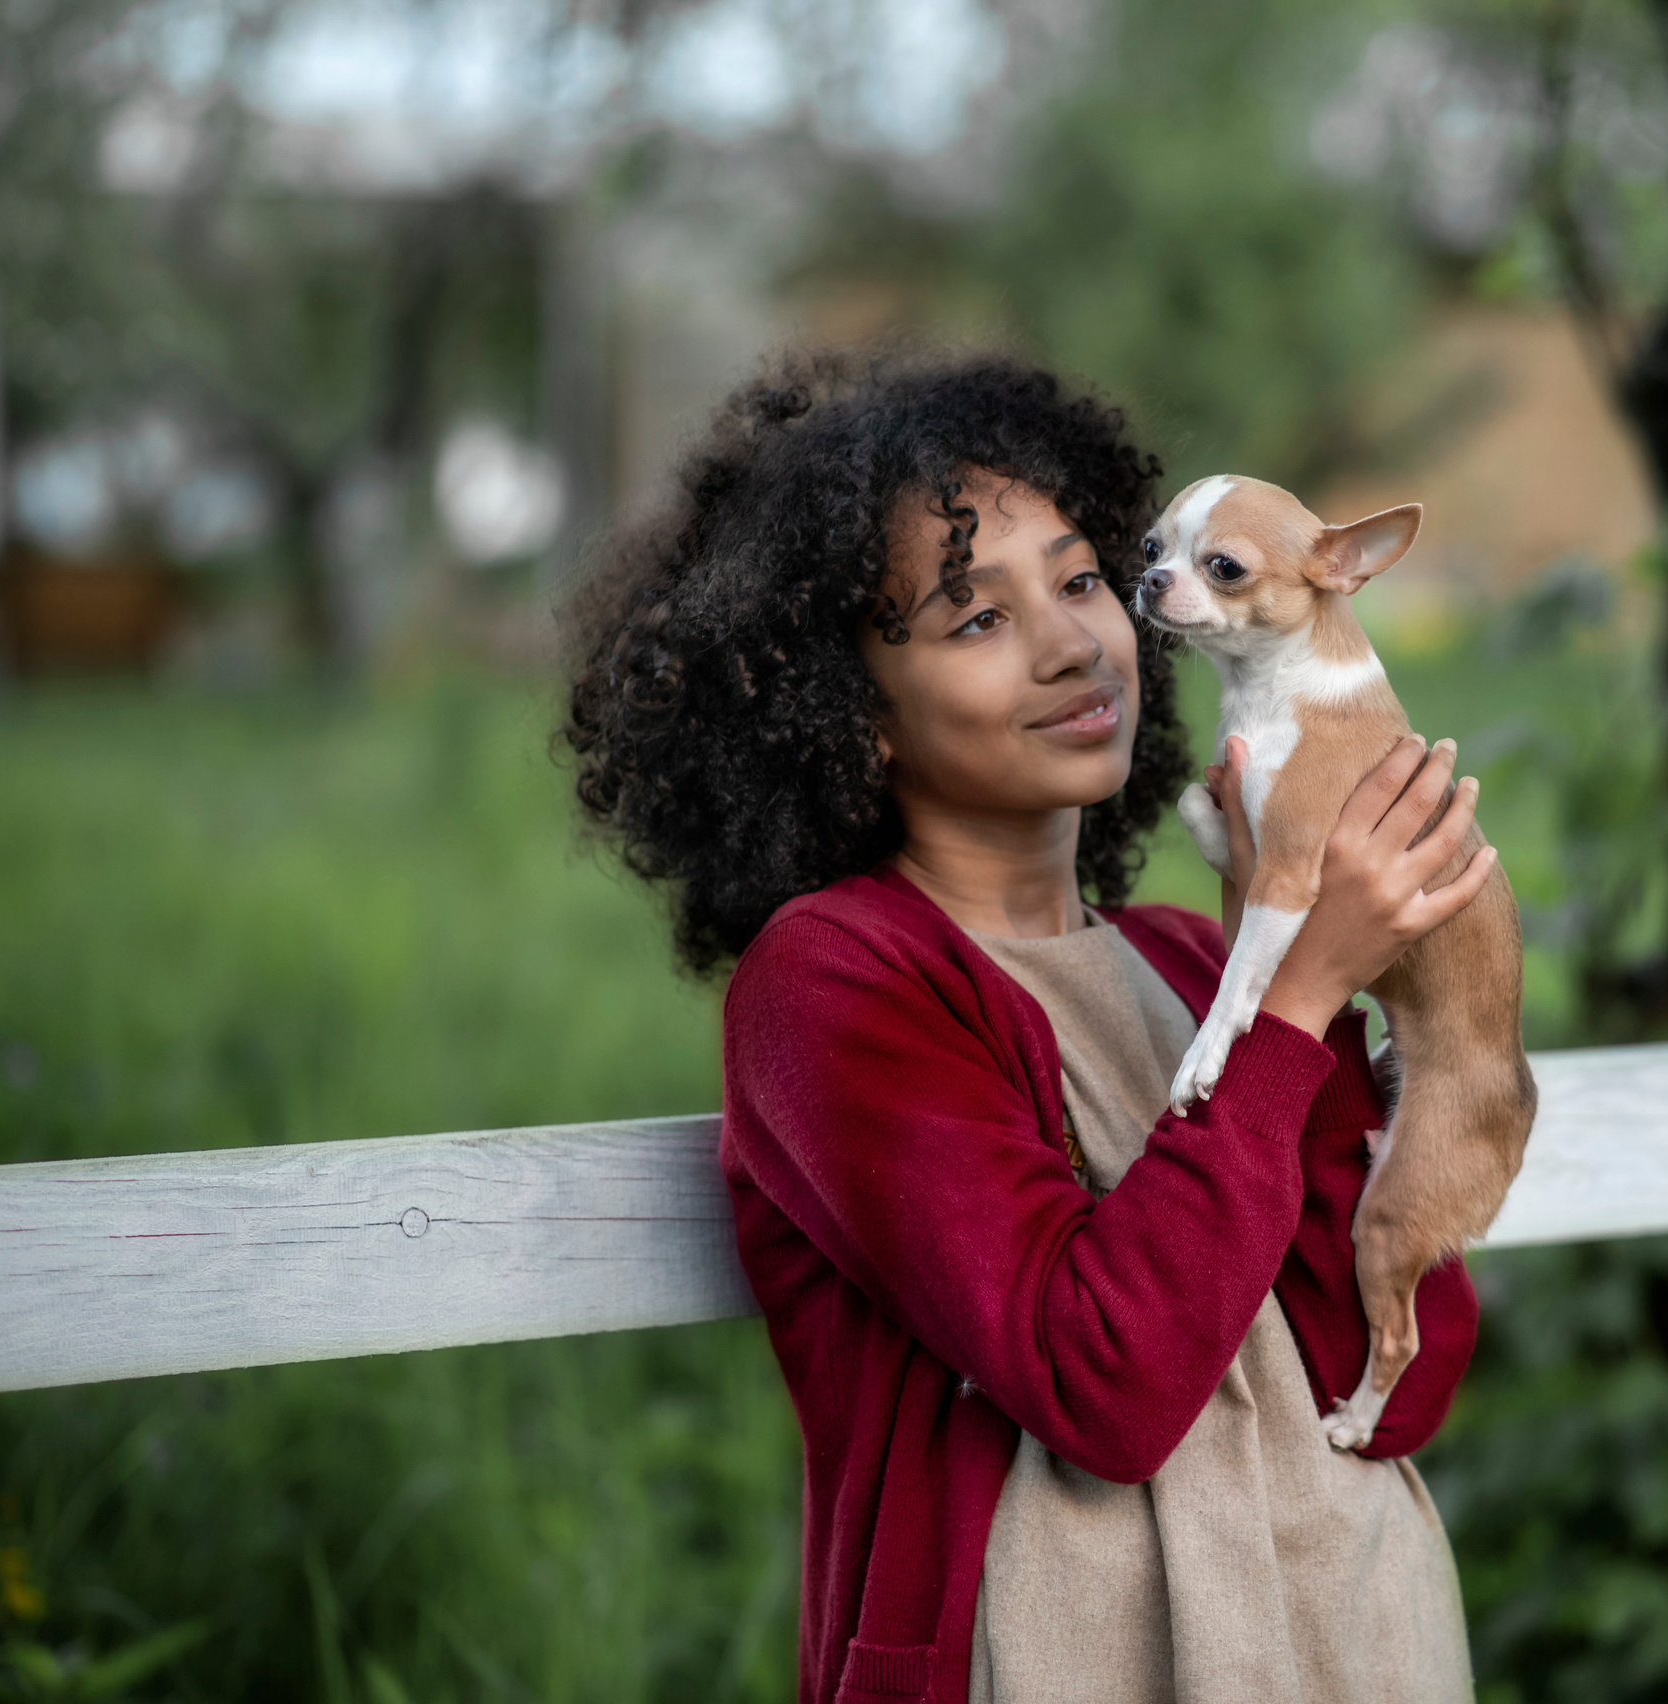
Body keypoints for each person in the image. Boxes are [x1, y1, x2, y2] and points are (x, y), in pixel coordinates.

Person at [562, 349, 1497, 1704]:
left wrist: (1303, 970)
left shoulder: (1192, 961)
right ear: (852, 715)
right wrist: (1295, 1004)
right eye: (974, 618)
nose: (1073, 642)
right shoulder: (837, 985)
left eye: (1076, 581)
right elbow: (1101, 1382)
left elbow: (1396, 1389)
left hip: (1363, 1649)